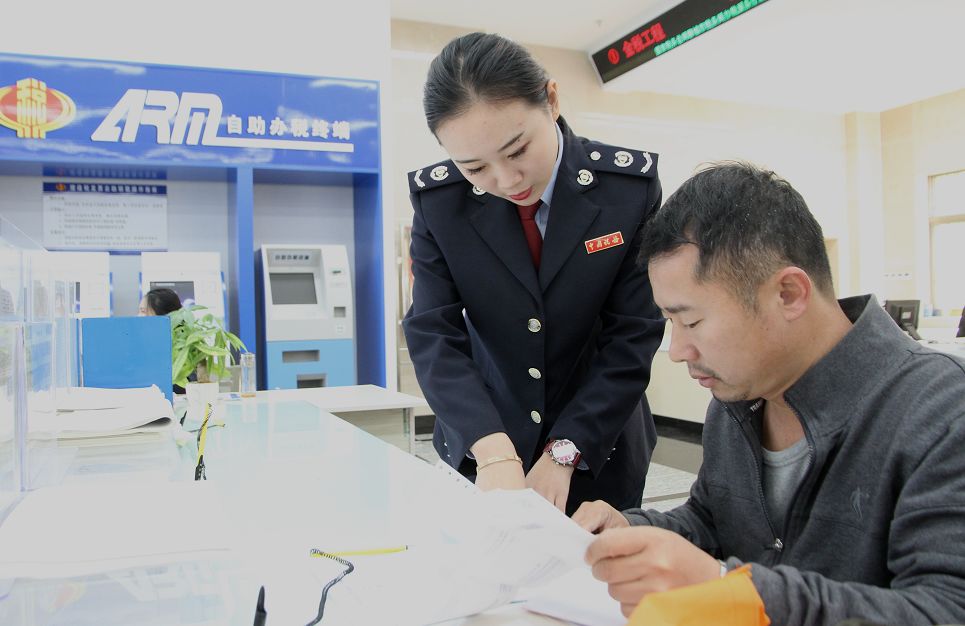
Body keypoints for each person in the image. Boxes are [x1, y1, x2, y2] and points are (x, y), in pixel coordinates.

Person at [573, 162, 965, 623]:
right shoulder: (738, 399)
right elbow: (713, 520)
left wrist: (731, 593)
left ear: (789, 293)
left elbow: (945, 610)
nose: (677, 350)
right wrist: (633, 529)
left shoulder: (942, 412)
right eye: (670, 323)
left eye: (692, 321)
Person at [402, 32, 665, 515]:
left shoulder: (626, 192)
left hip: (598, 450)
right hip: (484, 450)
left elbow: (633, 335)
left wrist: (566, 450)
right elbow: (432, 332)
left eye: (518, 150)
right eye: (475, 167)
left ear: (551, 100)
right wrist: (489, 446)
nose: (506, 181)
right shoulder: (441, 204)